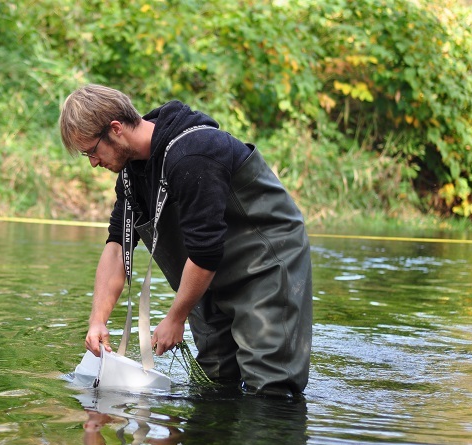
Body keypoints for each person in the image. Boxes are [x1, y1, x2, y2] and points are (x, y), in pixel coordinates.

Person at [59, 84, 312, 398]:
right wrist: (97, 320)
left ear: (116, 129)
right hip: (205, 278)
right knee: (216, 382)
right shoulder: (129, 175)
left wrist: (175, 318)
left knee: (270, 390)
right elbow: (117, 247)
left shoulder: (194, 152)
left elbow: (206, 250)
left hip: (264, 267)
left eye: (92, 151)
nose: (93, 162)